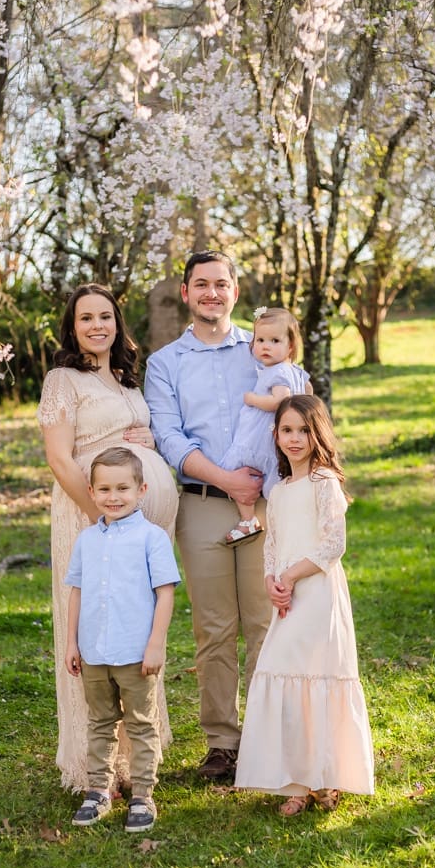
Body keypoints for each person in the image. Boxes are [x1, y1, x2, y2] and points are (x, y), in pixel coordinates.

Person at [37, 283, 179, 794]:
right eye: (86, 318)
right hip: (93, 517)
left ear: (117, 323)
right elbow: (59, 458)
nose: (97, 325)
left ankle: (135, 756)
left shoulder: (123, 377)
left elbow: (133, 437)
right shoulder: (62, 379)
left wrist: (149, 440)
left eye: (105, 316)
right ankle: (95, 763)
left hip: (136, 523)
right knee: (98, 626)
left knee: (134, 626)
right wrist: (103, 517)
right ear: (72, 327)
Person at [144, 250, 271, 782]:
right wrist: (226, 479)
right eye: (201, 284)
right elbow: (169, 437)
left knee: (266, 622)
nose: (211, 293)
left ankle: (268, 737)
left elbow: (293, 404)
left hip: (264, 503)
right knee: (214, 628)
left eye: (221, 284)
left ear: (235, 292)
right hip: (199, 504)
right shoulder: (164, 363)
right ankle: (223, 743)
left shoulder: (261, 349)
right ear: (186, 292)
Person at [234, 394, 375, 814]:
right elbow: (272, 544)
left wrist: (292, 576)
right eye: (287, 430)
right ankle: (295, 782)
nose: (294, 439)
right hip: (287, 597)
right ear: (276, 435)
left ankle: (325, 778)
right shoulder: (278, 491)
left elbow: (333, 544)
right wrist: (271, 580)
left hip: (317, 595)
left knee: (317, 675)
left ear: (318, 434)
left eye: (303, 430)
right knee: (285, 674)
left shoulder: (323, 482)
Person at [65, 447, 181, 832]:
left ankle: (143, 794)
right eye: (104, 489)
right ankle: (98, 790)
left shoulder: (152, 538)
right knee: (100, 722)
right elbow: (77, 592)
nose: (113, 497)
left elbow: (165, 593)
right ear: (92, 492)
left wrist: (156, 644)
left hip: (135, 652)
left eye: (122, 488)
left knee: (141, 724)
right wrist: (72, 643)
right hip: (94, 652)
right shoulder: (86, 540)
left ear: (141, 490)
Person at [220, 307, 312, 546]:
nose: (265, 346)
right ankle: (287, 522)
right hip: (277, 440)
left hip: (259, 439)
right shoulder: (296, 371)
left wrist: (252, 399)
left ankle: (248, 519)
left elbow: (279, 401)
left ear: (290, 346)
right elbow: (309, 392)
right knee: (276, 484)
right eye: (260, 340)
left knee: (233, 469)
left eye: (274, 341)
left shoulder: (276, 373)